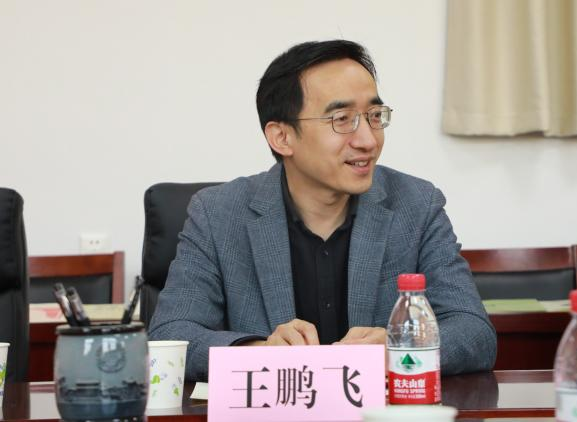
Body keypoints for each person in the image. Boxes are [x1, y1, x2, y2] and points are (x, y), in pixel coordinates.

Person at [148, 40, 496, 381]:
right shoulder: (218, 214)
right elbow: (171, 335)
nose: (368, 140)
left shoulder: (416, 205)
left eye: (374, 116)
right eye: (342, 119)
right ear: (282, 137)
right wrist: (259, 351)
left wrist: (397, 348)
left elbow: (474, 332)